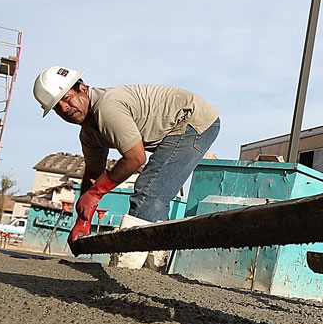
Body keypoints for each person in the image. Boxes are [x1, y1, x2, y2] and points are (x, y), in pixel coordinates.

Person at [33, 65, 220, 269]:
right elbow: (93, 174)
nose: (64, 108)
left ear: (83, 89)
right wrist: (82, 220)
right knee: (155, 193)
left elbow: (135, 159)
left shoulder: (107, 107)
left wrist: (95, 194)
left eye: (67, 98)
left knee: (149, 191)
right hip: (177, 128)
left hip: (193, 121)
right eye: (56, 107)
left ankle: (128, 268)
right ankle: (154, 266)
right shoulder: (89, 134)